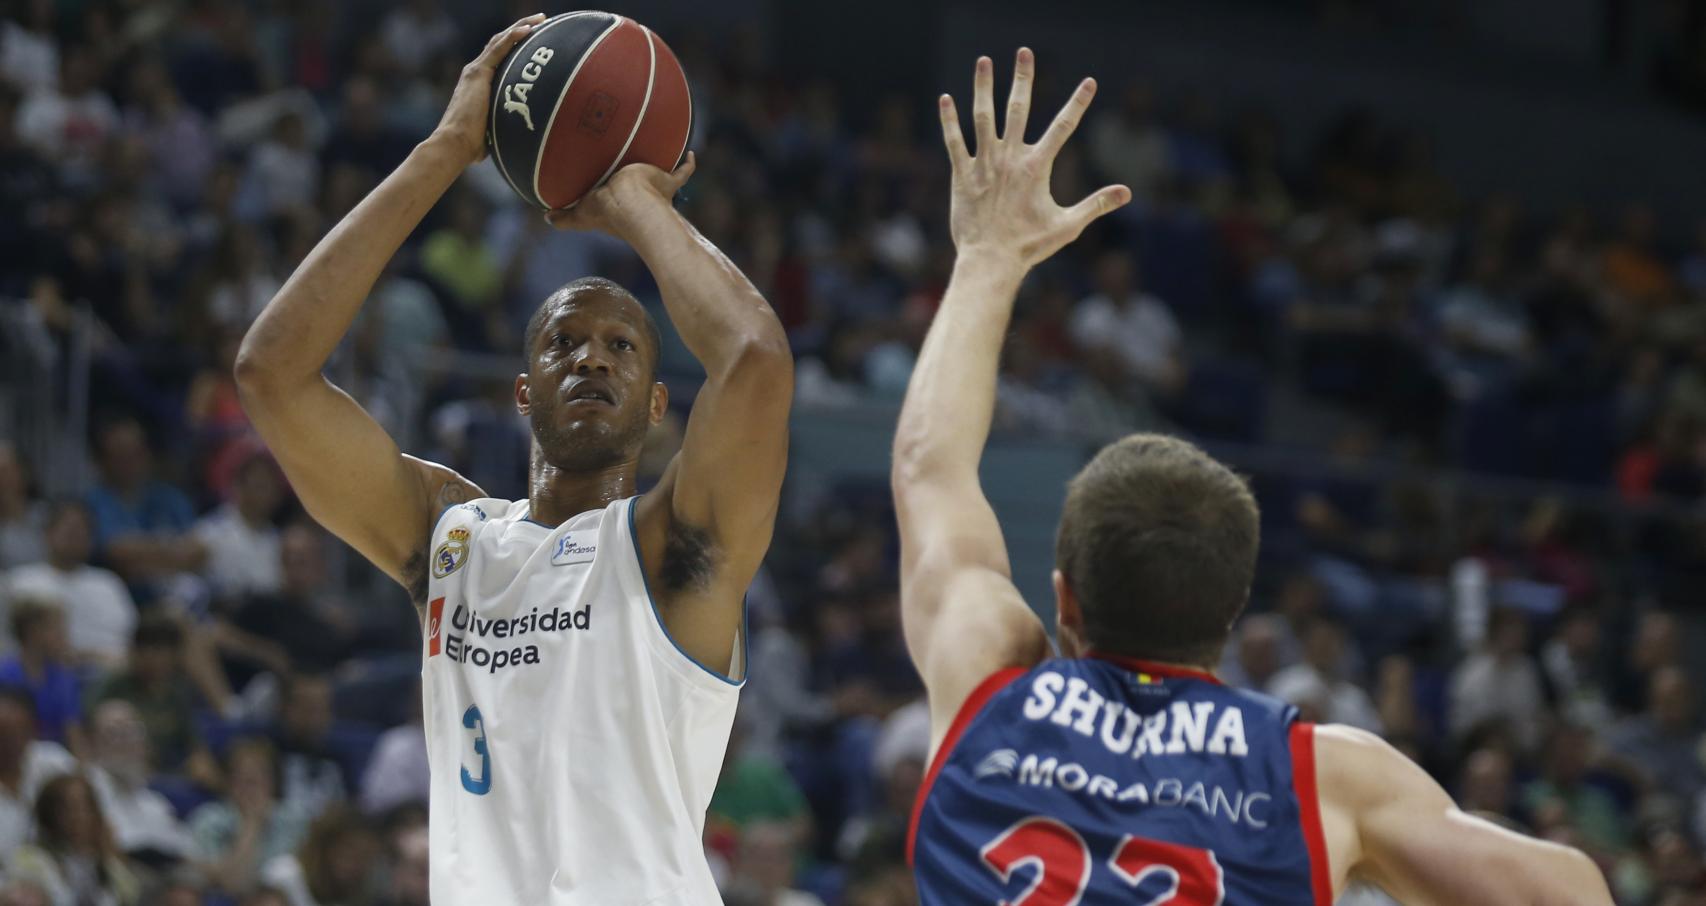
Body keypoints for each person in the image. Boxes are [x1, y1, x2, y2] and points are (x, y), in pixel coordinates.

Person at [892, 50, 1611, 904]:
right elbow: (1572, 892)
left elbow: (929, 470)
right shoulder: (1321, 775)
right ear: (1231, 613)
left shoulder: (987, 676)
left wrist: (987, 258)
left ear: (1064, 600)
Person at [233, 17, 792, 903]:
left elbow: (755, 361)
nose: (592, 358)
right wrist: (445, 151)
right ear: (523, 393)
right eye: (564, 342)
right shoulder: (452, 539)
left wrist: (637, 204)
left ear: (658, 407)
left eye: (621, 346)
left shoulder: (673, 549)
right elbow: (272, 374)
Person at [6, 501, 138, 670]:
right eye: (70, 531)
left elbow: (131, 639)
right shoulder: (20, 581)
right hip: (38, 673)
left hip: (106, 670)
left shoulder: (108, 583)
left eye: (83, 532)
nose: (76, 538)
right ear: (47, 534)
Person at [5, 772, 142, 906]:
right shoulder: (31, 860)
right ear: (49, 815)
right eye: (68, 809)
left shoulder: (105, 866)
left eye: (85, 808)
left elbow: (130, 895)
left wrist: (108, 852)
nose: (78, 817)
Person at [0, 687, 76, 855]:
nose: (9, 742)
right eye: (2, 734)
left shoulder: (55, 762)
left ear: (33, 730)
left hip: (63, 863)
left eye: (17, 732)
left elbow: (93, 814)